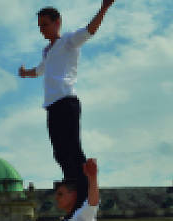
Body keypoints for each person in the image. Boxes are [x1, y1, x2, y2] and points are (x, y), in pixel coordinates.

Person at [18, 1, 115, 208]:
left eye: (45, 25)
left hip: (67, 102)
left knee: (73, 149)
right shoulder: (47, 51)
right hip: (52, 106)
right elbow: (41, 69)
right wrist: (26, 73)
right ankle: (73, 191)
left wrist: (103, 8)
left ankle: (85, 193)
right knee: (59, 152)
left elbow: (90, 30)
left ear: (57, 23)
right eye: (39, 26)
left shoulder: (69, 41)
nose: (42, 30)